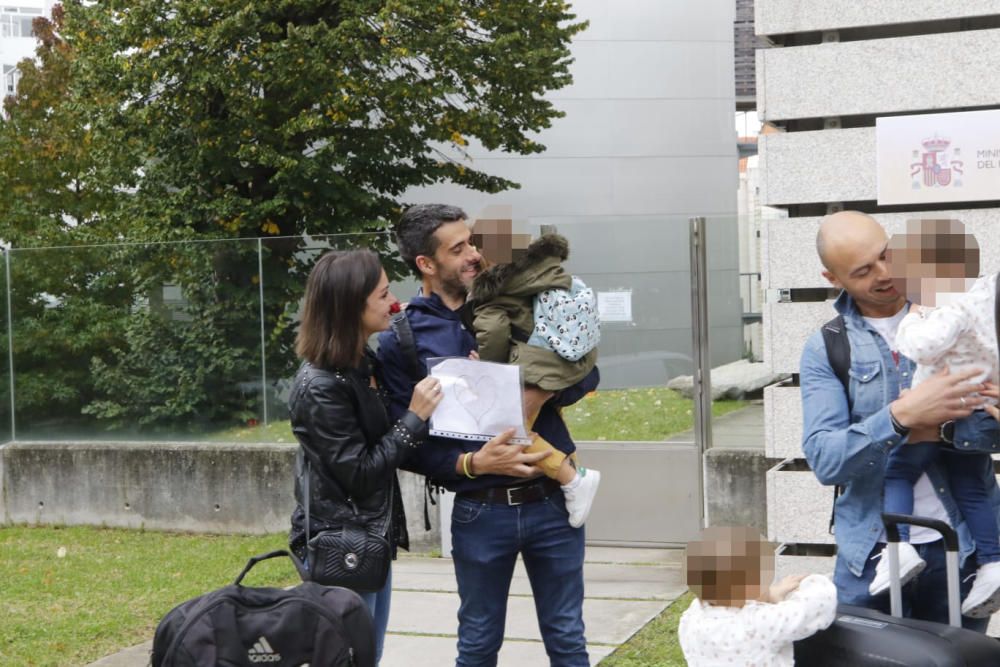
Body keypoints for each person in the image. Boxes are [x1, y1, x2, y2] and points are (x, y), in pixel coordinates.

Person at [378, 204, 598, 667]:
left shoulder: (522, 295)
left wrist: (535, 393)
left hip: (553, 502)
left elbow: (587, 373)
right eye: (458, 249)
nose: (474, 255)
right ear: (426, 263)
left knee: (568, 640)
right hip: (481, 511)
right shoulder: (403, 335)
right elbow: (404, 441)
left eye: (472, 242)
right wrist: (472, 464)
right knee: (477, 645)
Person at [799, 210, 1000, 630]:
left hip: (961, 551)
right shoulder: (827, 348)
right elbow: (825, 460)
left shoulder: (962, 307)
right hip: (872, 554)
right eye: (863, 270)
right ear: (833, 278)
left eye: (887, 255)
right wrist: (902, 416)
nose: (886, 273)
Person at [287, 249, 445, 665]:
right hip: (342, 545)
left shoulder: (357, 363)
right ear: (351, 305)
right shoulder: (320, 386)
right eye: (383, 294)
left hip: (367, 538)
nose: (394, 303)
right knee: (350, 658)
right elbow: (358, 473)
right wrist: (414, 418)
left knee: (366, 655)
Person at [868, 219, 1000, 617]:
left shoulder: (952, 305)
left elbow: (922, 348)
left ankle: (900, 548)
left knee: (897, 471)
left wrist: (915, 315)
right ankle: (993, 564)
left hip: (945, 412)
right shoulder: (983, 297)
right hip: (977, 411)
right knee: (973, 487)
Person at [469, 218, 601, 528]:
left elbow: (493, 332)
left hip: (539, 365)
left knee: (509, 428)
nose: (473, 257)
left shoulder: (496, 290)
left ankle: (571, 478)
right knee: (532, 421)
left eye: (476, 249)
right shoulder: (549, 270)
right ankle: (574, 471)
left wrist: (488, 368)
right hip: (574, 356)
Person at [679, 526, 837, 667]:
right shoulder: (757, 624)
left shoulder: (691, 619)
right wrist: (814, 581)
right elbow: (815, 607)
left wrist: (771, 595)